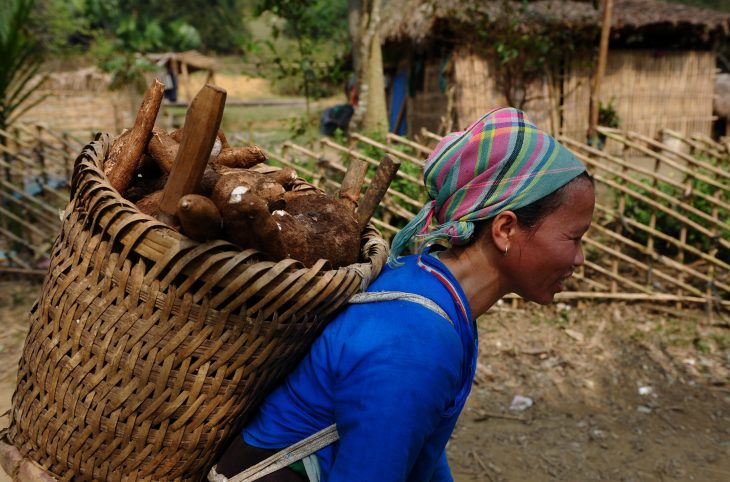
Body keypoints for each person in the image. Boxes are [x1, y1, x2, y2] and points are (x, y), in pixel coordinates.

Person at [212, 107, 595, 481]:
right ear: (505, 229)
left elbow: (419, 446)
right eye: (573, 238)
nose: (579, 258)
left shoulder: (427, 283)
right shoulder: (416, 340)